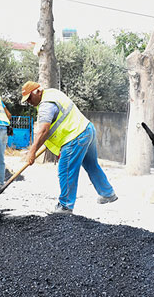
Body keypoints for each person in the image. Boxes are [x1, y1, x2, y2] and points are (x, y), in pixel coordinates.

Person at [22, 81, 118, 213]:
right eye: (26, 100)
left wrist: (32, 152)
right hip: (86, 130)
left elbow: (43, 131)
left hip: (74, 137)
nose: (28, 102)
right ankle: (108, 193)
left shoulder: (46, 105)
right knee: (92, 165)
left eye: (29, 98)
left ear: (37, 92)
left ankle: (65, 205)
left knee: (66, 170)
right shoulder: (52, 93)